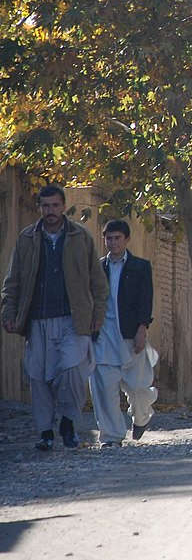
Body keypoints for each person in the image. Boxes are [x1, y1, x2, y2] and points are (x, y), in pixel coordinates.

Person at [2, 185, 107, 450]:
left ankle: (69, 423)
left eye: (55, 206)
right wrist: (9, 312)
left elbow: (98, 282)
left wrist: (98, 314)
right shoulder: (27, 238)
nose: (50, 211)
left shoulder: (80, 237)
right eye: (45, 206)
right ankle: (46, 432)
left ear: (63, 206)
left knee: (71, 371)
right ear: (40, 208)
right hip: (37, 319)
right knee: (39, 377)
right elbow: (12, 281)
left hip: (74, 319)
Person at [90, 220, 157, 447]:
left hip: (131, 335)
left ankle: (142, 416)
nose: (113, 242)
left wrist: (142, 328)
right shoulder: (97, 269)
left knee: (139, 386)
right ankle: (111, 436)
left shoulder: (140, 267)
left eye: (117, 238)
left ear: (126, 239)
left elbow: (145, 301)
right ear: (104, 239)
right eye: (109, 238)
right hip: (103, 337)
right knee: (104, 388)